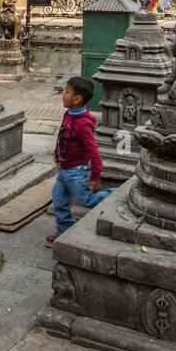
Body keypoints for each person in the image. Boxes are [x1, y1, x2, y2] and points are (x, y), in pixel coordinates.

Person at [46, 75, 110, 245]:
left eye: (66, 92)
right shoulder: (69, 114)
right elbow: (63, 134)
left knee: (87, 200)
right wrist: (57, 152)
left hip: (76, 171)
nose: (63, 95)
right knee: (59, 201)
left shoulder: (83, 124)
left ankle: (114, 196)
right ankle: (64, 231)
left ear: (77, 99)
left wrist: (95, 176)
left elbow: (93, 150)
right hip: (65, 169)